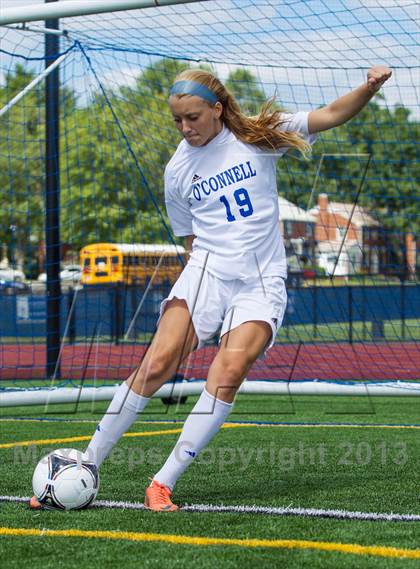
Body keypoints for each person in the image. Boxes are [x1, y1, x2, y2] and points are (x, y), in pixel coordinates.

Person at [30, 66, 392, 512]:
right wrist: (200, 294)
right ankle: (87, 464)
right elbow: (190, 242)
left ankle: (161, 483)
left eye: (193, 117)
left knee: (228, 371)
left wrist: (369, 88)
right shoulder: (177, 170)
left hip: (262, 282)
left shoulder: (259, 136)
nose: (185, 128)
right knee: (157, 362)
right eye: (177, 120)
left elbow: (333, 113)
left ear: (217, 109)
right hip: (206, 272)